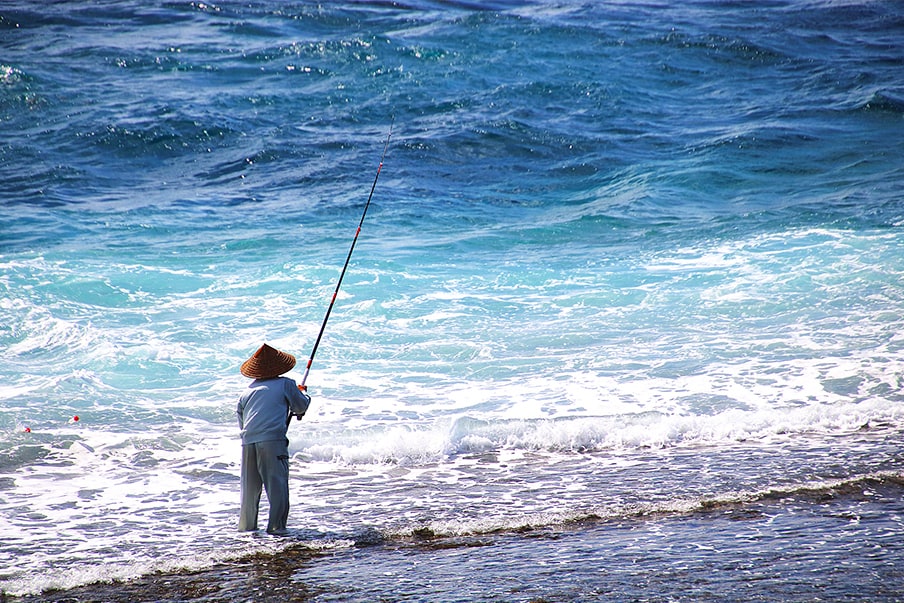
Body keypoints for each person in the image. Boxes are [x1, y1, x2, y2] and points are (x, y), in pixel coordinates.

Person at [236, 343, 311, 534]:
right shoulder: (286, 384)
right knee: (277, 487)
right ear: (278, 367)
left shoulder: (247, 391)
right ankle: (277, 530)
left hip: (247, 442)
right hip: (272, 441)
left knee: (249, 491)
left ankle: (247, 531)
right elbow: (300, 407)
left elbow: (242, 422)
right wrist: (303, 393)